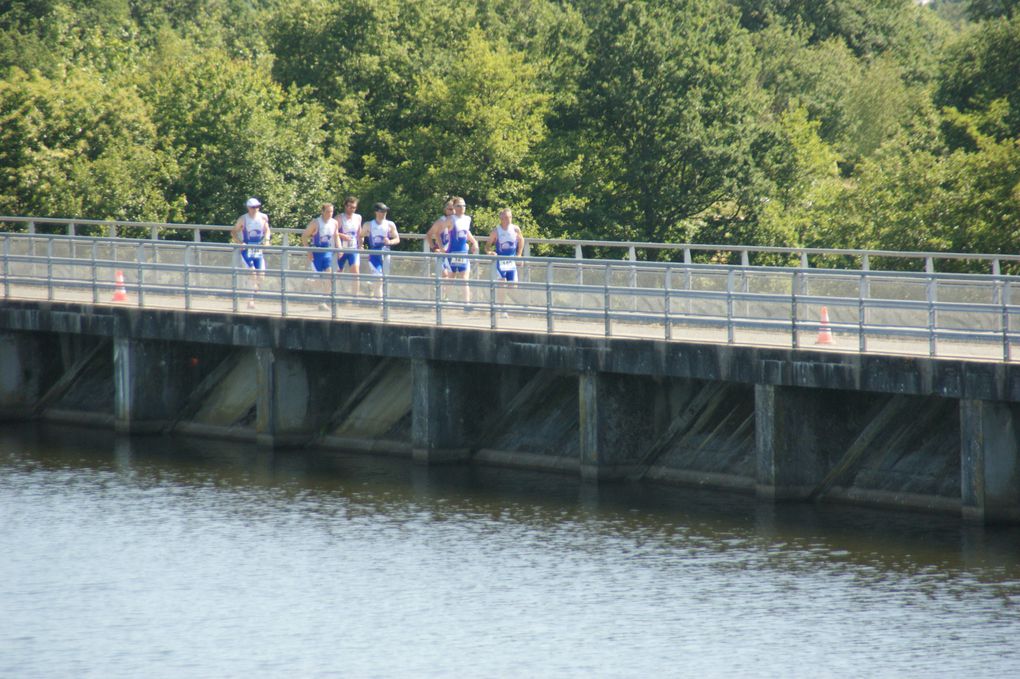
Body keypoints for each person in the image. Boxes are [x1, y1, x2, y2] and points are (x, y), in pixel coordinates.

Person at [231, 197, 271, 309]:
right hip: (247, 249)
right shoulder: (243, 219)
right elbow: (234, 232)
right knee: (253, 274)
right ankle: (250, 300)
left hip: (258, 248)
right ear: (248, 208)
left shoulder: (263, 217)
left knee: (261, 276)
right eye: (253, 207)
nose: (255, 209)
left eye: (257, 206)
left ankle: (251, 292)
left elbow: (267, 230)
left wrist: (267, 240)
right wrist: (240, 243)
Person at [301, 203, 339, 311]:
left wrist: (340, 249)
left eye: (331, 212)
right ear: (322, 212)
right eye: (327, 212)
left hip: (327, 252)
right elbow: (304, 236)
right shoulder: (316, 223)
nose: (329, 214)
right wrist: (308, 250)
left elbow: (336, 236)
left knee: (329, 278)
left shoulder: (334, 223)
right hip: (317, 252)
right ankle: (307, 282)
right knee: (317, 281)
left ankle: (323, 301)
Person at [486, 208, 525, 314]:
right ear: (501, 219)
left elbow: (521, 240)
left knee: (513, 287)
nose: (508, 220)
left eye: (510, 217)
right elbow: (487, 246)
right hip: (500, 261)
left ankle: (498, 298)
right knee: (502, 284)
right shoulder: (496, 231)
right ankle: (503, 308)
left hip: (511, 262)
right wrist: (490, 252)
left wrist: (519, 254)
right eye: (506, 218)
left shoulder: (515, 229)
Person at [359, 202, 400, 297]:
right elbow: (361, 235)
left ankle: (371, 286)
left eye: (385, 211)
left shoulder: (390, 224)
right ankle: (381, 305)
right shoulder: (368, 225)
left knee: (384, 279)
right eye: (382, 211)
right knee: (379, 280)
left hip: (385, 254)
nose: (384, 213)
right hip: (374, 255)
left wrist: (390, 242)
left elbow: (397, 239)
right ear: (376, 212)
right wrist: (361, 245)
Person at [446, 196, 478, 306]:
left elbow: (466, 232)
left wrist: (474, 242)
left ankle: (466, 303)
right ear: (454, 207)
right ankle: (445, 300)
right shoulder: (450, 219)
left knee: (465, 279)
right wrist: (440, 247)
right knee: (451, 278)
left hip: (463, 252)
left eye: (463, 205)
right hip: (452, 252)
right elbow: (440, 232)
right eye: (459, 205)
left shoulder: (467, 219)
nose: (462, 208)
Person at [336, 195, 362, 295]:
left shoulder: (358, 217)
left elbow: (359, 232)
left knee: (356, 274)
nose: (352, 209)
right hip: (341, 250)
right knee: (337, 273)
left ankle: (355, 297)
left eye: (354, 207)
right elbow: (333, 232)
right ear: (345, 206)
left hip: (353, 249)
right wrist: (342, 235)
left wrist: (361, 244)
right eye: (350, 207)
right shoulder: (339, 218)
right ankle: (332, 294)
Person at [426, 199, 454, 279]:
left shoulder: (457, 221)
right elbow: (429, 235)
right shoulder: (441, 221)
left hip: (451, 252)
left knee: (452, 275)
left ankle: (446, 291)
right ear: (445, 210)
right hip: (441, 253)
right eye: (450, 209)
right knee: (444, 274)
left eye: (454, 209)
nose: (453, 211)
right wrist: (434, 249)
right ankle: (440, 291)